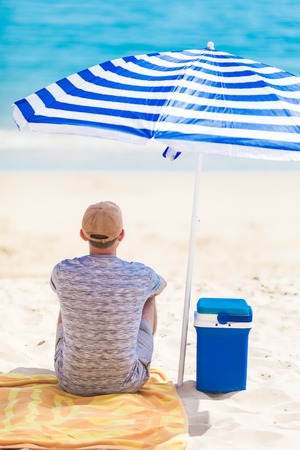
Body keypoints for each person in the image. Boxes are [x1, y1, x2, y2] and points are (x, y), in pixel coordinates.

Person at [50, 201, 167, 396]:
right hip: (127, 382)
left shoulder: (62, 270)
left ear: (82, 234)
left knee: (69, 297)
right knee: (150, 293)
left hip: (70, 381)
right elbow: (162, 284)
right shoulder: (141, 274)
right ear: (121, 235)